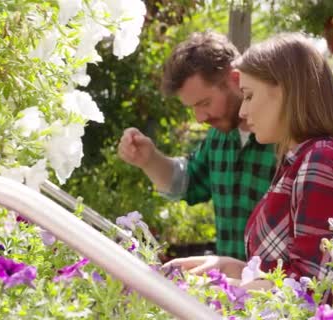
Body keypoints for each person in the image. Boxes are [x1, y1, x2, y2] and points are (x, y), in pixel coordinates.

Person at [165, 33, 333, 295]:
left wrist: (217, 288)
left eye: (250, 96)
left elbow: (310, 290)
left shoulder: (321, 161)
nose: (243, 111)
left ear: (286, 92)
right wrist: (229, 268)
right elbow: (290, 275)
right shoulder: (302, 159)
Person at [118, 31, 276, 260]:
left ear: (235, 80)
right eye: (193, 107)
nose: (199, 118)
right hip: (233, 291)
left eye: (204, 103)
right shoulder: (219, 137)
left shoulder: (284, 139)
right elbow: (188, 182)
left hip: (276, 292)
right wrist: (149, 159)